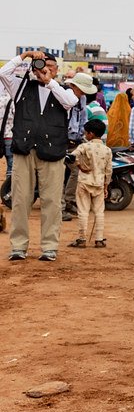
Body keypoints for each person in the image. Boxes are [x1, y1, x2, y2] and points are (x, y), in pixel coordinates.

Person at [0, 51, 79, 261]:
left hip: (53, 151)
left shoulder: (63, 91)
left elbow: (70, 103)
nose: (45, 69)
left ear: (57, 69)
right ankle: (18, 247)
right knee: (20, 200)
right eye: (41, 65)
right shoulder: (22, 86)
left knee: (51, 201)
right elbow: (3, 73)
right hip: (23, 149)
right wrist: (24, 56)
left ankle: (49, 247)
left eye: (51, 66)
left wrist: (50, 81)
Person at [67, 119, 112, 248]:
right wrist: (106, 186)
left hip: (84, 182)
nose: (85, 135)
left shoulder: (84, 146)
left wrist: (79, 165)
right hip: (99, 183)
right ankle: (99, 239)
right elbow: (109, 170)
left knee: (83, 210)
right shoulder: (107, 150)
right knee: (99, 211)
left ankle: (82, 239)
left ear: (90, 134)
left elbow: (71, 157)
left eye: (86, 133)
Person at [62, 73, 100, 221]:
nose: (84, 93)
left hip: (74, 141)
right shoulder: (65, 96)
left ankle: (69, 201)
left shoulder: (82, 99)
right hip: (62, 141)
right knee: (62, 174)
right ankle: (62, 206)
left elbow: (82, 120)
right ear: (74, 86)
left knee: (76, 172)